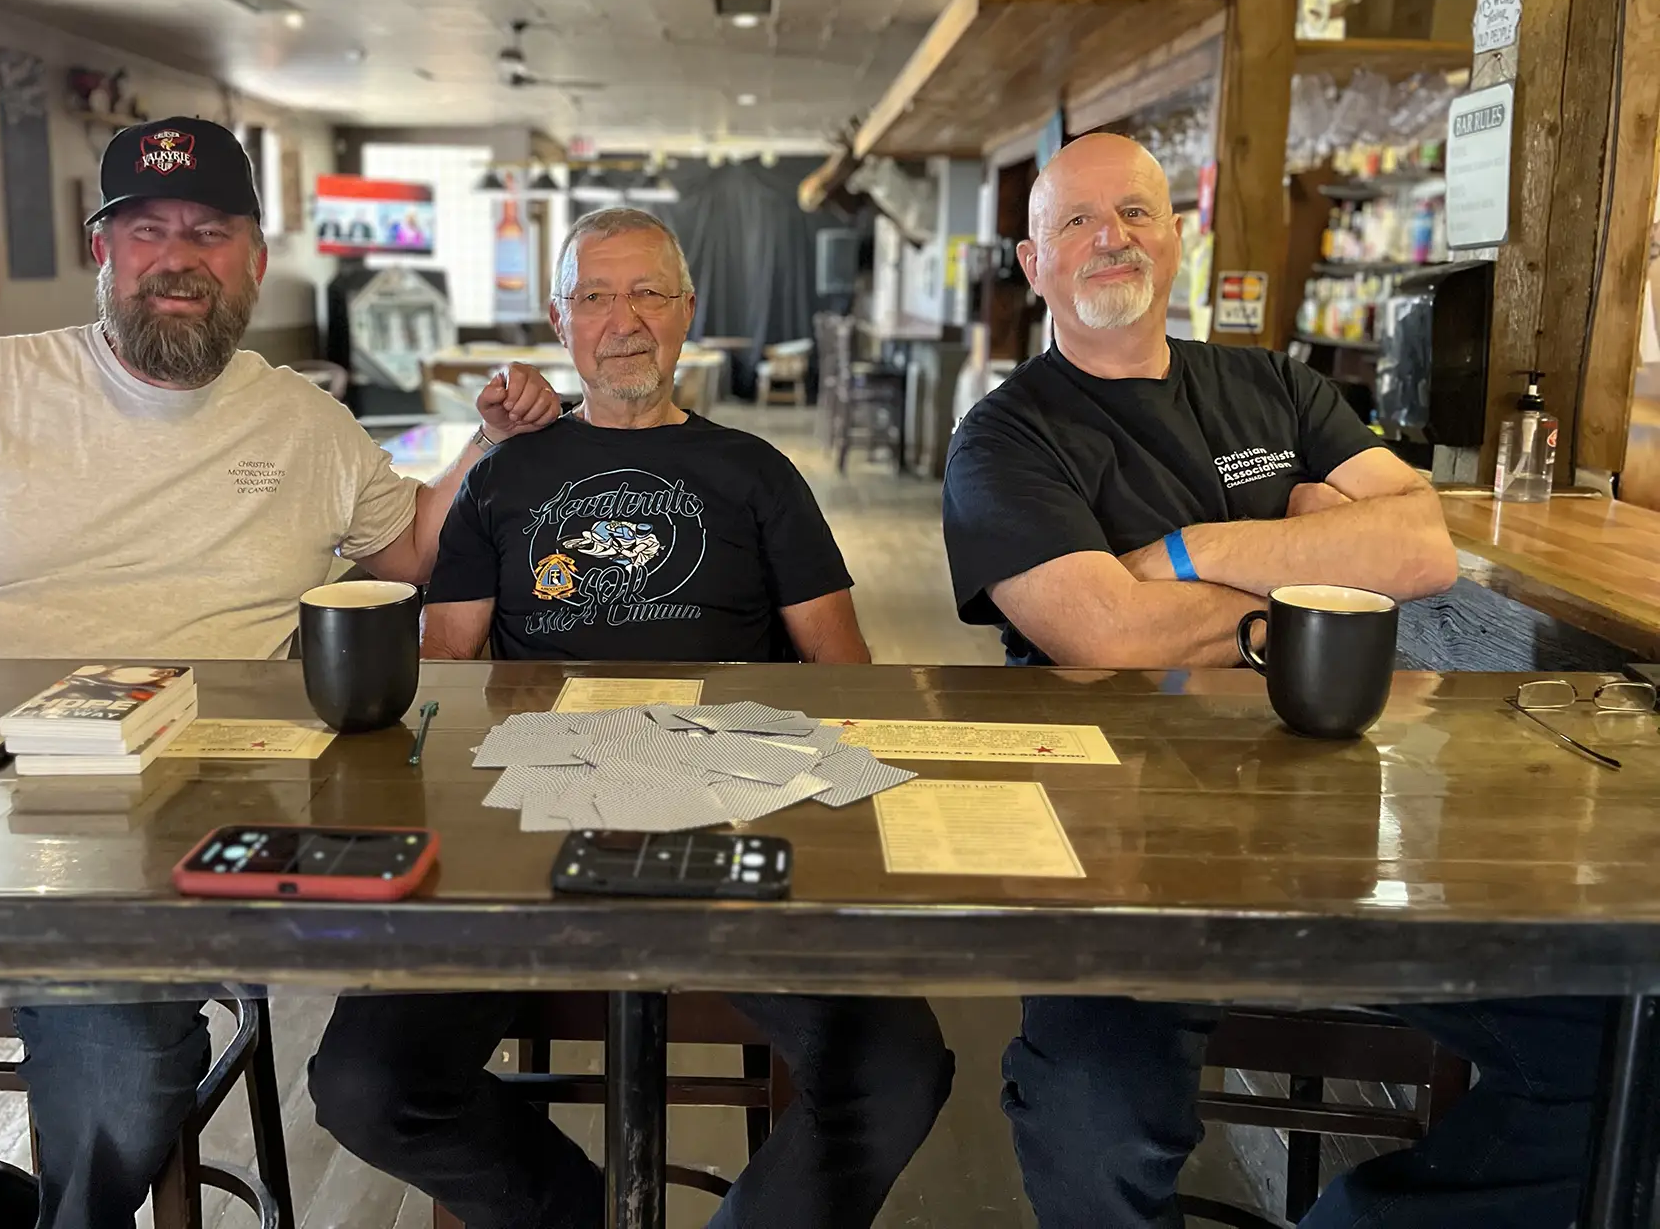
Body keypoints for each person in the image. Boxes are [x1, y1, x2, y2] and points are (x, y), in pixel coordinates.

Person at [0, 116, 560, 1229]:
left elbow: (409, 550)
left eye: (209, 232)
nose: (178, 257)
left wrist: (486, 444)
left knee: (119, 1062)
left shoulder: (304, 420)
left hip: (189, 808)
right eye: (147, 230)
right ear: (103, 251)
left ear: (254, 260)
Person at [942, 132, 1606, 1229]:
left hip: (1344, 815)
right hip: (1115, 837)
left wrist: (1193, 551)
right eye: (1078, 221)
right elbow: (1107, 634)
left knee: (1610, 1045)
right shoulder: (1004, 438)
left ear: (1176, 237)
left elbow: (1422, 549)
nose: (1112, 239)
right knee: (1089, 1113)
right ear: (1034, 262)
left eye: (1137, 213)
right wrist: (1315, 566)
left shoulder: (1274, 385)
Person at [307, 206, 954, 1229]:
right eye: (597, 296)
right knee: (364, 1083)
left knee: (898, 1069)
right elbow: (447, 669)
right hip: (531, 821)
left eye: (649, 292)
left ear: (687, 311)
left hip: (731, 810)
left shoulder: (758, 472)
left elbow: (844, 672)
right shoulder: (501, 478)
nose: (625, 321)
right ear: (559, 319)